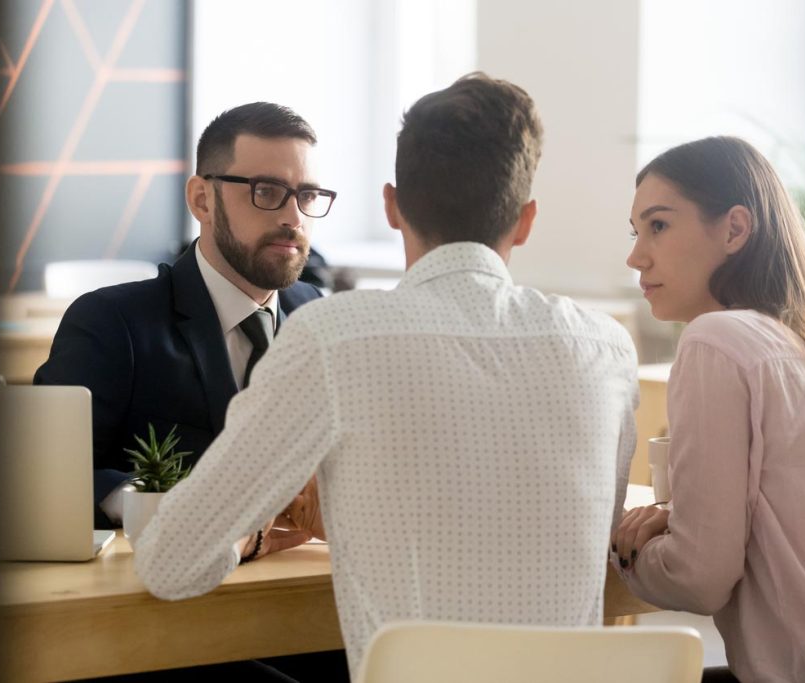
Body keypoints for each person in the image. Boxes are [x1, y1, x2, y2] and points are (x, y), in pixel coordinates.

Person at [133, 72, 639, 680]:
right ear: (525, 220)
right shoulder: (606, 348)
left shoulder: (332, 340)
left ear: (392, 206)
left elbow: (170, 562)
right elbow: (595, 546)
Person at [613, 136, 805, 683]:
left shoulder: (715, 340)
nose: (636, 255)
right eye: (636, 232)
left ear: (736, 229)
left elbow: (699, 578)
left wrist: (625, 549)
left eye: (659, 226)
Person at [34, 102, 329, 532]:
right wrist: (152, 505)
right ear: (201, 200)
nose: (293, 218)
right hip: (156, 589)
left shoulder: (318, 317)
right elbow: (45, 473)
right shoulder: (111, 323)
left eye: (307, 196)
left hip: (298, 581)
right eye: (266, 191)